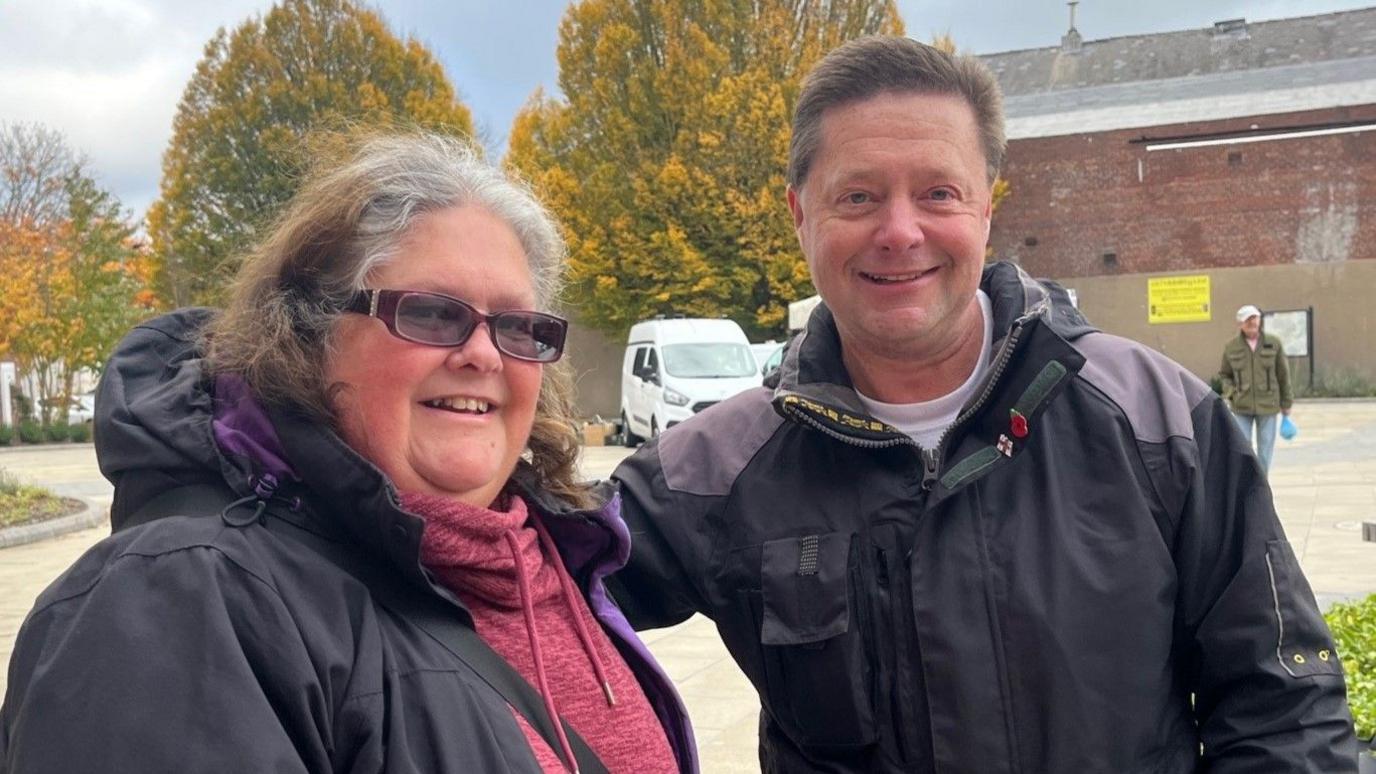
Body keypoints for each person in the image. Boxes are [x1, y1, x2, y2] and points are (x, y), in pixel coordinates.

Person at [608, 36, 1354, 772]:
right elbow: (512, 579)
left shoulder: (1161, 423)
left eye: (938, 193)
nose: (900, 232)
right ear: (800, 213)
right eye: (859, 196)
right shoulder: (712, 472)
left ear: (988, 208)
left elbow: (1283, 706)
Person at [0, 132, 695, 773]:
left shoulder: (544, 561)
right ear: (309, 334)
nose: (482, 353)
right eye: (431, 312)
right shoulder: (179, 603)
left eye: (518, 326)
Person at [1220, 303, 1293, 473]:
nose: (1252, 323)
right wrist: (1231, 392)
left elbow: (1283, 374)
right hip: (1241, 406)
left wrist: (1286, 402)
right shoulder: (1231, 347)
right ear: (1240, 324)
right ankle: (1248, 482)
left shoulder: (1273, 343)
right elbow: (1225, 375)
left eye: (1255, 318)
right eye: (1248, 320)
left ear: (1259, 320)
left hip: (1268, 405)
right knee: (1243, 446)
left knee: (1265, 450)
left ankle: (1261, 486)